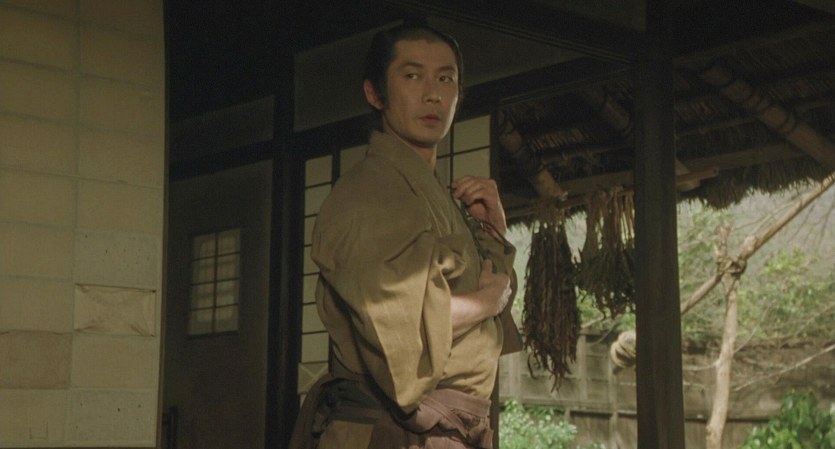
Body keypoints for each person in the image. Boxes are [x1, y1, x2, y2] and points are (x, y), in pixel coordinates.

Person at [290, 23, 520, 449]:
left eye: (445, 79)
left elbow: (492, 291)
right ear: (375, 93)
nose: (433, 94)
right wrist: (486, 302)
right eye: (412, 76)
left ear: (459, 95)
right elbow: (399, 322)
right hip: (388, 432)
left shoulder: (439, 196)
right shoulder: (366, 193)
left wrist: (493, 229)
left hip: (447, 430)